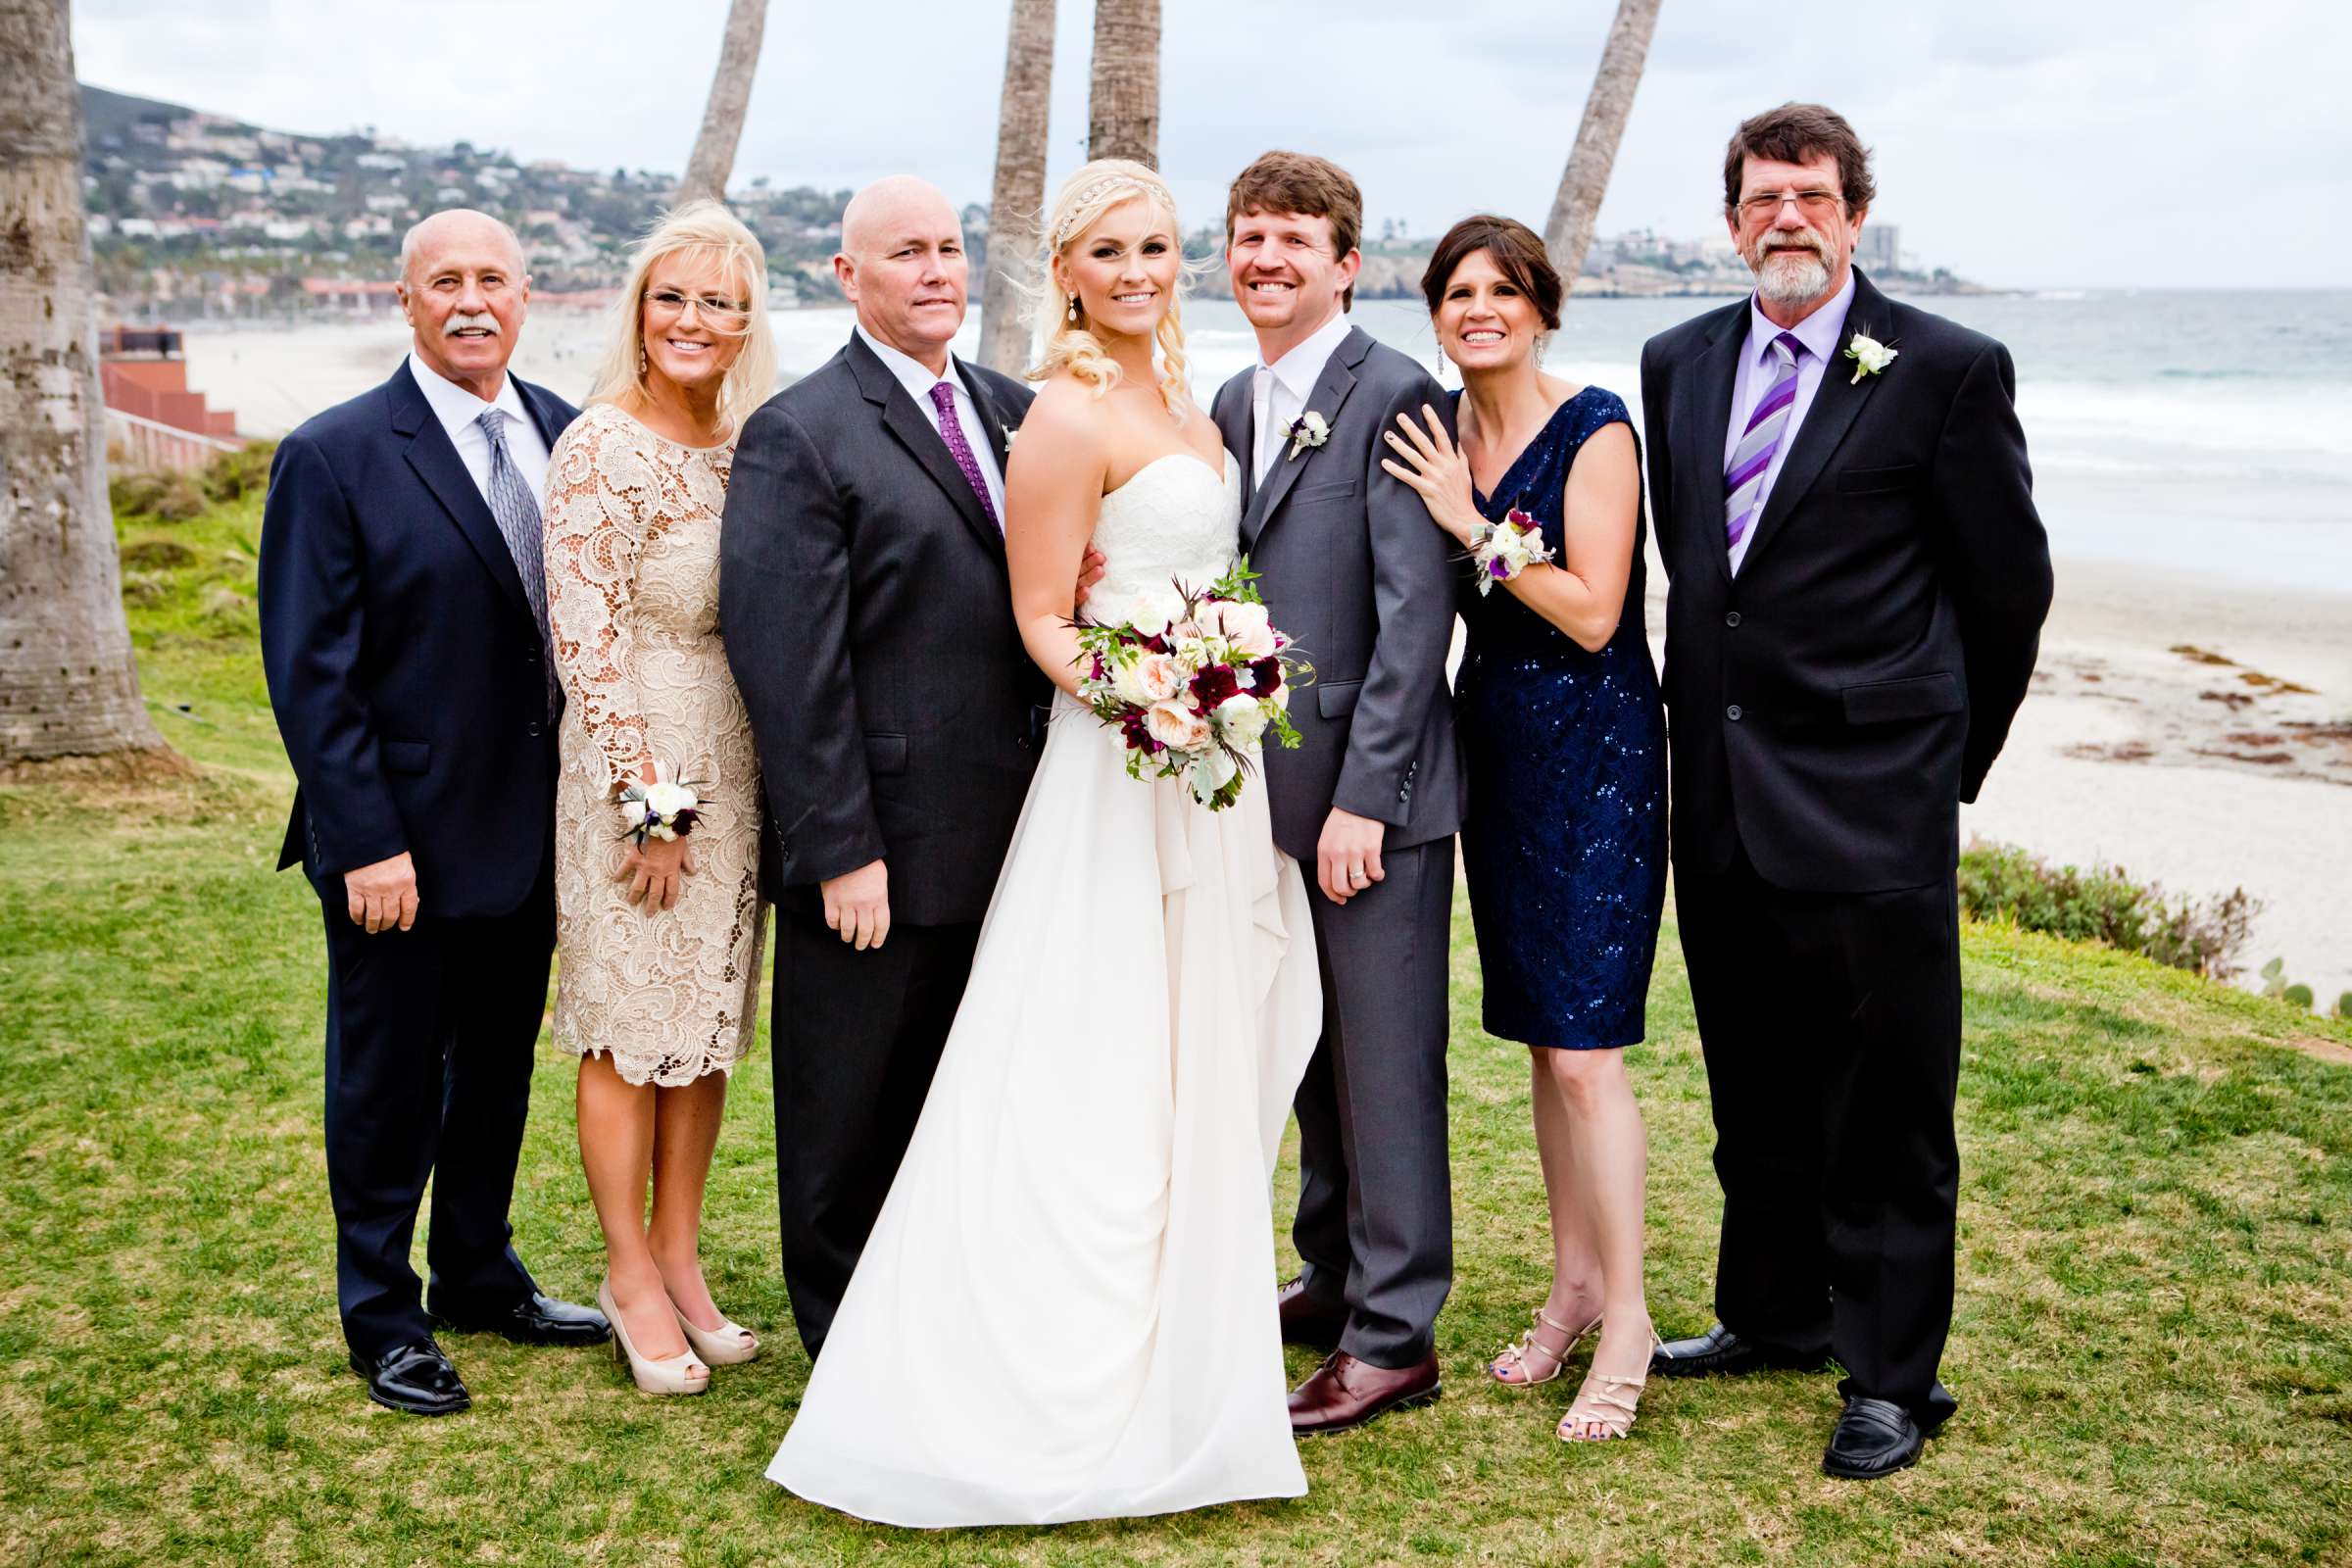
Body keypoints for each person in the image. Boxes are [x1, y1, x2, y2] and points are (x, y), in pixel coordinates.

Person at [763, 159, 1322, 1527]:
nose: (1138, 271)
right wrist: (1160, 697)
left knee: (1213, 1035)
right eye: (1109, 253)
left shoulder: (1184, 402)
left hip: (1210, 767)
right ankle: (1053, 1353)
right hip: (1121, 765)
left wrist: (1226, 681)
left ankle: (1188, 1336)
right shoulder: (1065, 417)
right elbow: (1042, 619)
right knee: (1100, 1047)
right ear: (1066, 273)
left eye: (1155, 246)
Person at [1638, 104, 2052, 1479]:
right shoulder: (1680, 361)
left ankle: (1889, 1375)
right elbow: (1708, 581)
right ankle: (1770, 1315)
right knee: (1753, 1079)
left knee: (1886, 1101)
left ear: (1856, 215)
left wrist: (1943, 763)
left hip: (1875, 800)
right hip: (1725, 798)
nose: (1788, 219)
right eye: (1762, 198)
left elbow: (2007, 589)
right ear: (1735, 217)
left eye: (1812, 196)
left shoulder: (1945, 368)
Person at [717, 177, 1099, 1358]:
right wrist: (841, 849)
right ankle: (847, 1337)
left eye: (950, 248)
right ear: (848, 277)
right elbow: (789, 665)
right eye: (905, 253)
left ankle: (952, 1306)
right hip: (878, 837)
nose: (937, 270)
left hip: (1016, 826)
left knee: (968, 1092)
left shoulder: (1012, 408)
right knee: (847, 1102)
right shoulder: (800, 430)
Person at [258, 209, 608, 1418]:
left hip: (533, 836)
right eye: (444, 281)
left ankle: (476, 1271)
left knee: (497, 1071)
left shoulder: (570, 434)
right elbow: (312, 670)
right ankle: (382, 1314)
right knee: (388, 1081)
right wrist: (364, 839)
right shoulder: (335, 452)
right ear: (401, 301)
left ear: (528, 297)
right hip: (397, 842)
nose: (472, 301)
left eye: (493, 280)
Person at [1380, 216, 1668, 1442]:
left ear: (1542, 307)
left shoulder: (1596, 425)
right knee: (1544, 1046)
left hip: (1596, 750)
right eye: (1456, 291)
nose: (1478, 307)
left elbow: (1595, 612)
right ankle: (1573, 1287)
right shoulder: (1441, 429)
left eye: (1503, 289)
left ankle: (1635, 1318)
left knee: (1591, 1049)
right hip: (1491, 749)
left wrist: (1469, 520)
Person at [1206, 151, 1463, 1435]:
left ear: (1346, 263)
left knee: (1386, 1063)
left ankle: (1395, 1332)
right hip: (1263, 793)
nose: (1266, 259)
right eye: (1249, 237)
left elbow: (1418, 626)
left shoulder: (1397, 393)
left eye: (1293, 241)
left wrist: (1369, 796)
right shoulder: (1234, 398)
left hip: (1377, 807)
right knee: (1308, 1048)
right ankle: (1333, 1269)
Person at [541, 202, 777, 1395]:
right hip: (644, 772)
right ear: (639, 309)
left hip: (734, 767)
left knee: (703, 1027)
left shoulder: (743, 444)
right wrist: (654, 809)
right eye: (674, 297)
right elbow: (588, 646)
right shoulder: (599, 446)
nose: (695, 320)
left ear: (747, 323)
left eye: (720, 302)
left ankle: (683, 1260)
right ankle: (628, 1271)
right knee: (630, 1029)